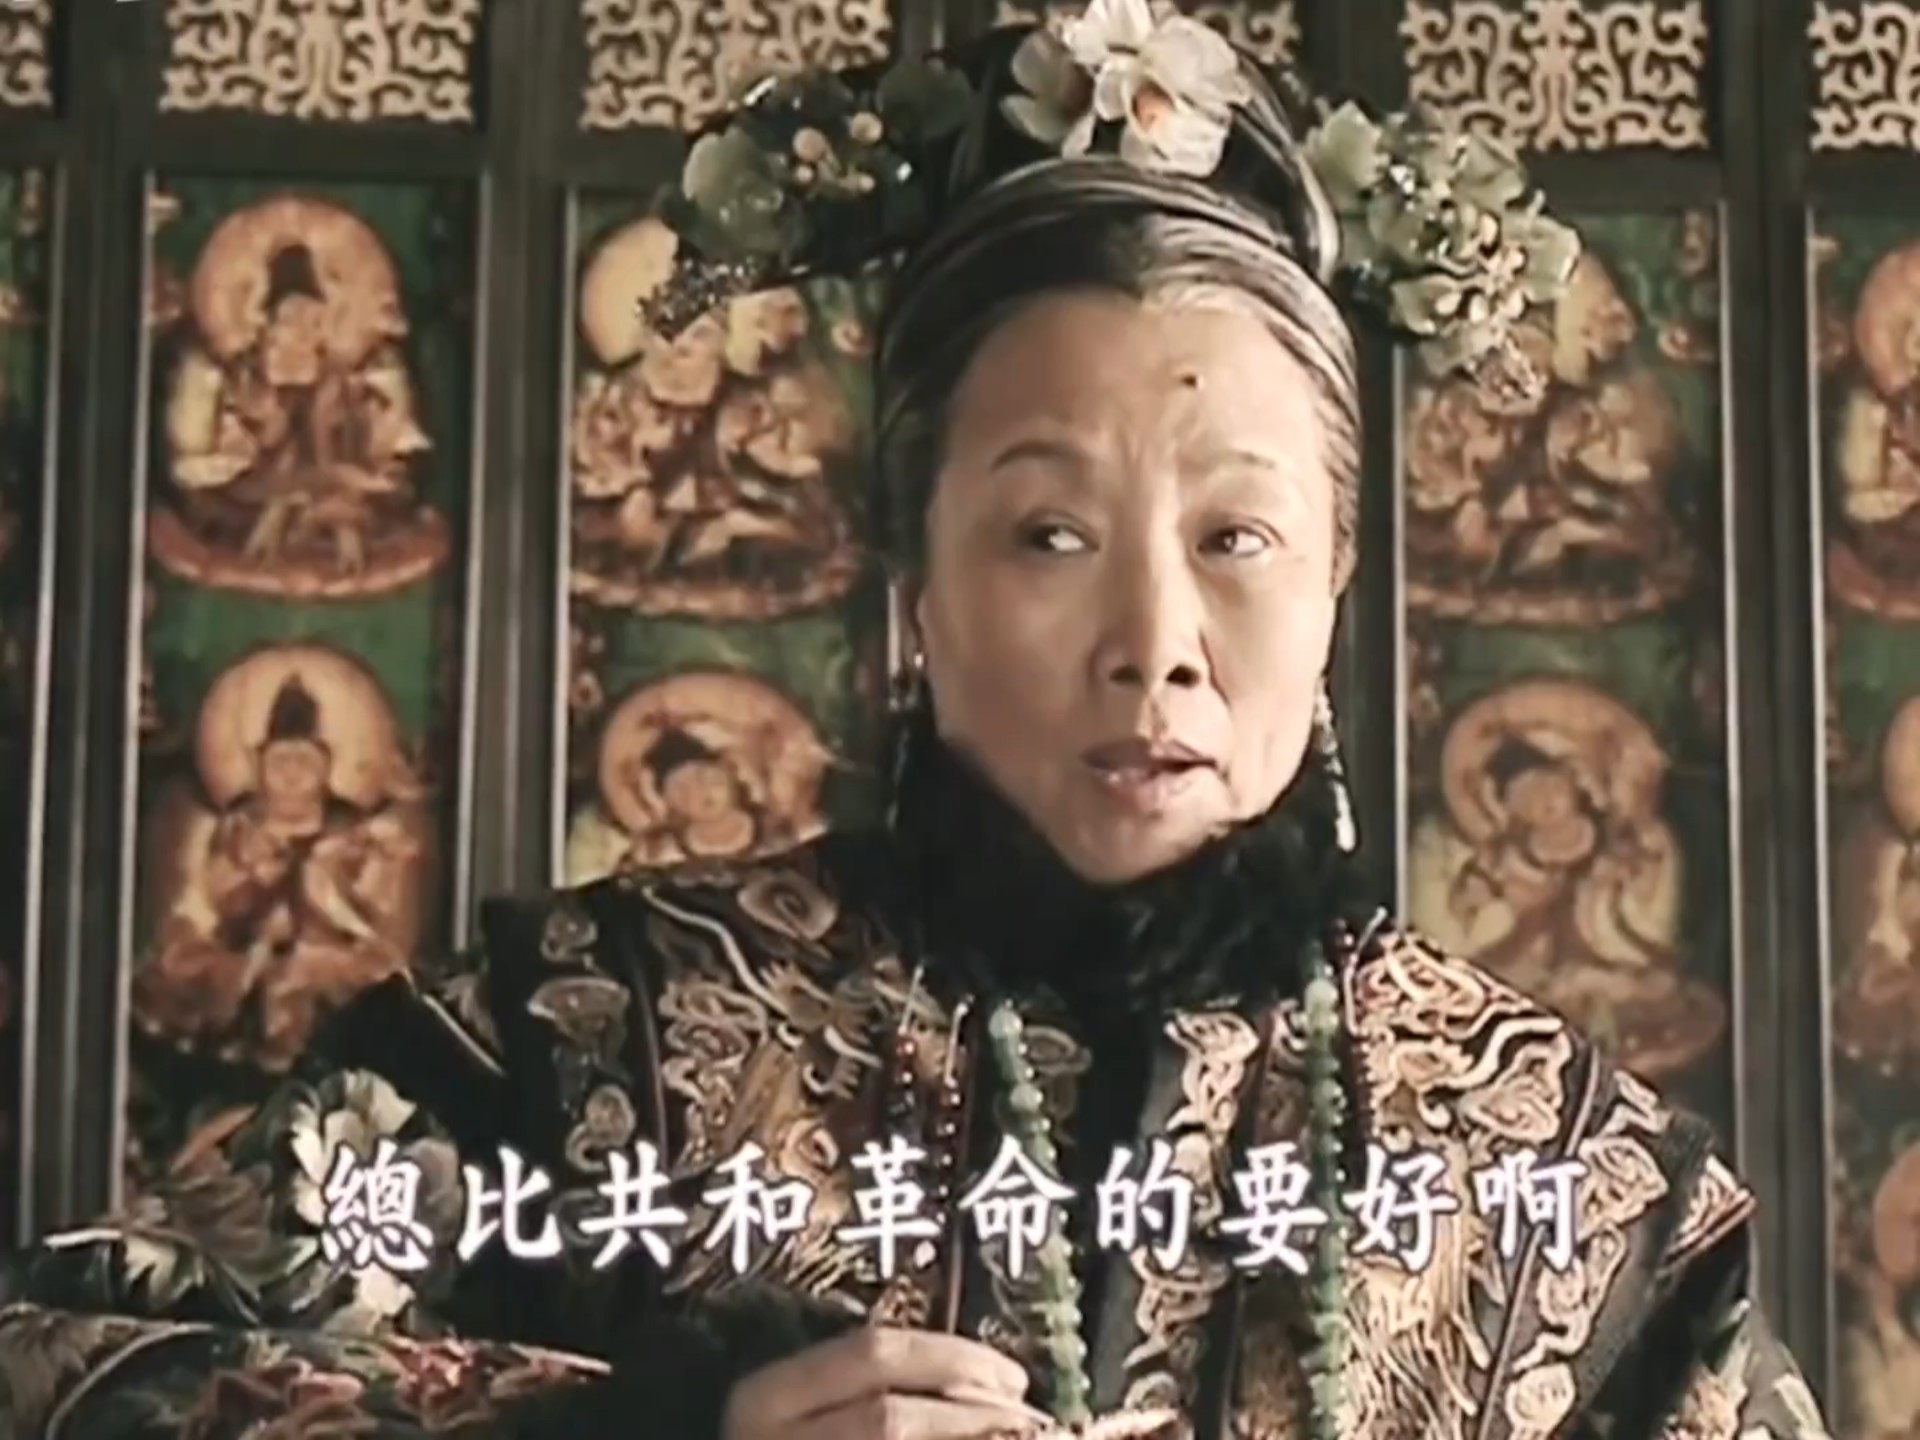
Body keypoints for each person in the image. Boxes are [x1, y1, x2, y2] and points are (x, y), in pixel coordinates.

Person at [0, 6, 1830, 1438]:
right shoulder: (587, 1048)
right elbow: (63, 1357)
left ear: (1340, 573)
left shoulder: (1572, 1189)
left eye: (1237, 538)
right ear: (915, 580)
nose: (1155, 646)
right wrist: (656, 1431)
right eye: (1049, 535)